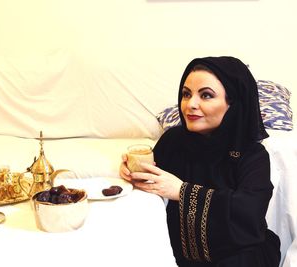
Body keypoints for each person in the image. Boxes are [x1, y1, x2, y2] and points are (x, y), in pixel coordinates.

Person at [119, 56, 281, 267]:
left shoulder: (251, 154)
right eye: (186, 94)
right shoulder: (173, 141)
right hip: (178, 257)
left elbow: (249, 211)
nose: (190, 104)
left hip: (239, 258)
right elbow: (152, 180)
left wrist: (181, 191)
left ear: (232, 103)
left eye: (206, 95)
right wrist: (133, 173)